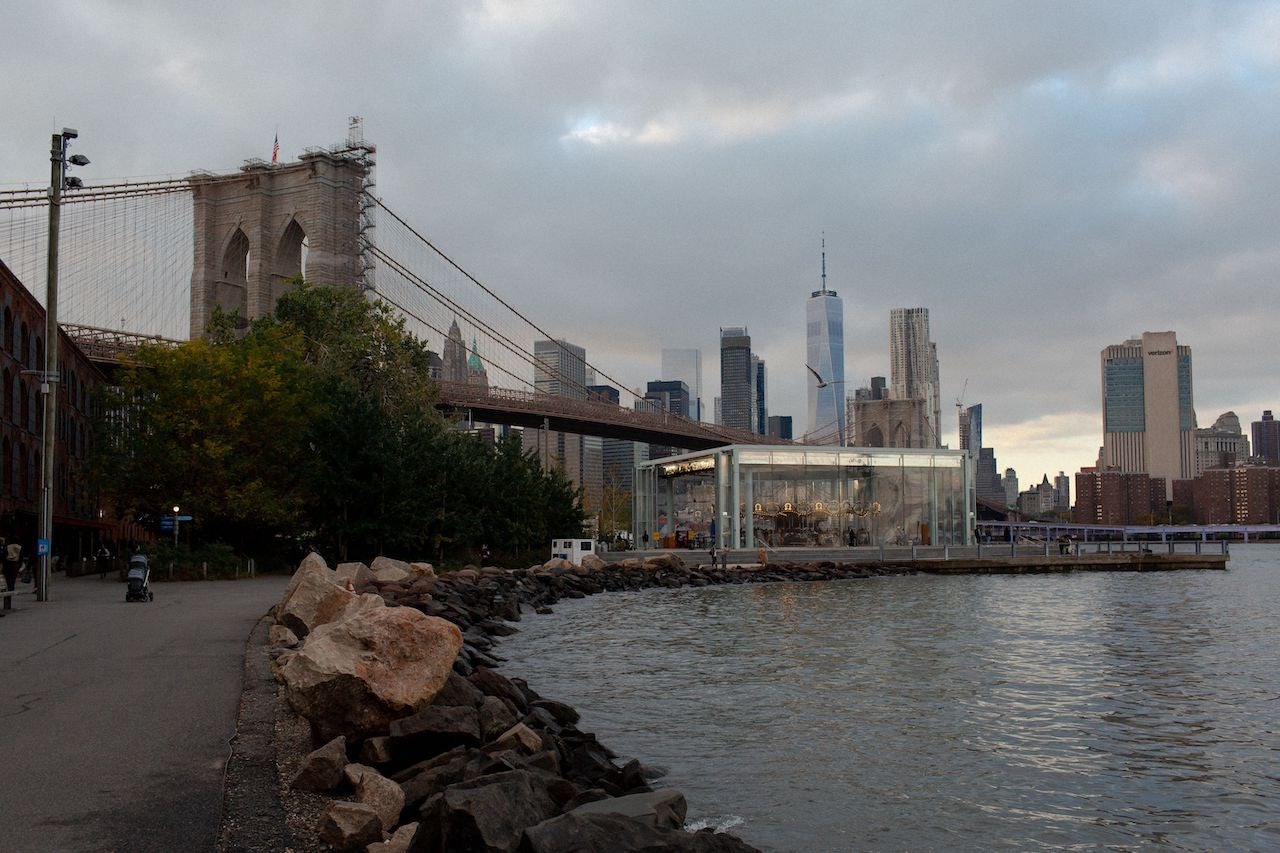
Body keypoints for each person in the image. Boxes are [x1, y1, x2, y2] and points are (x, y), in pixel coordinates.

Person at [2, 539, 20, 611]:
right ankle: (11, 588)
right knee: (12, 579)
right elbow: (21, 557)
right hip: (15, 565)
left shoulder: (8, 547)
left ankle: (9, 588)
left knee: (7, 579)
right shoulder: (19, 547)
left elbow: (3, 556)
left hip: (7, 564)